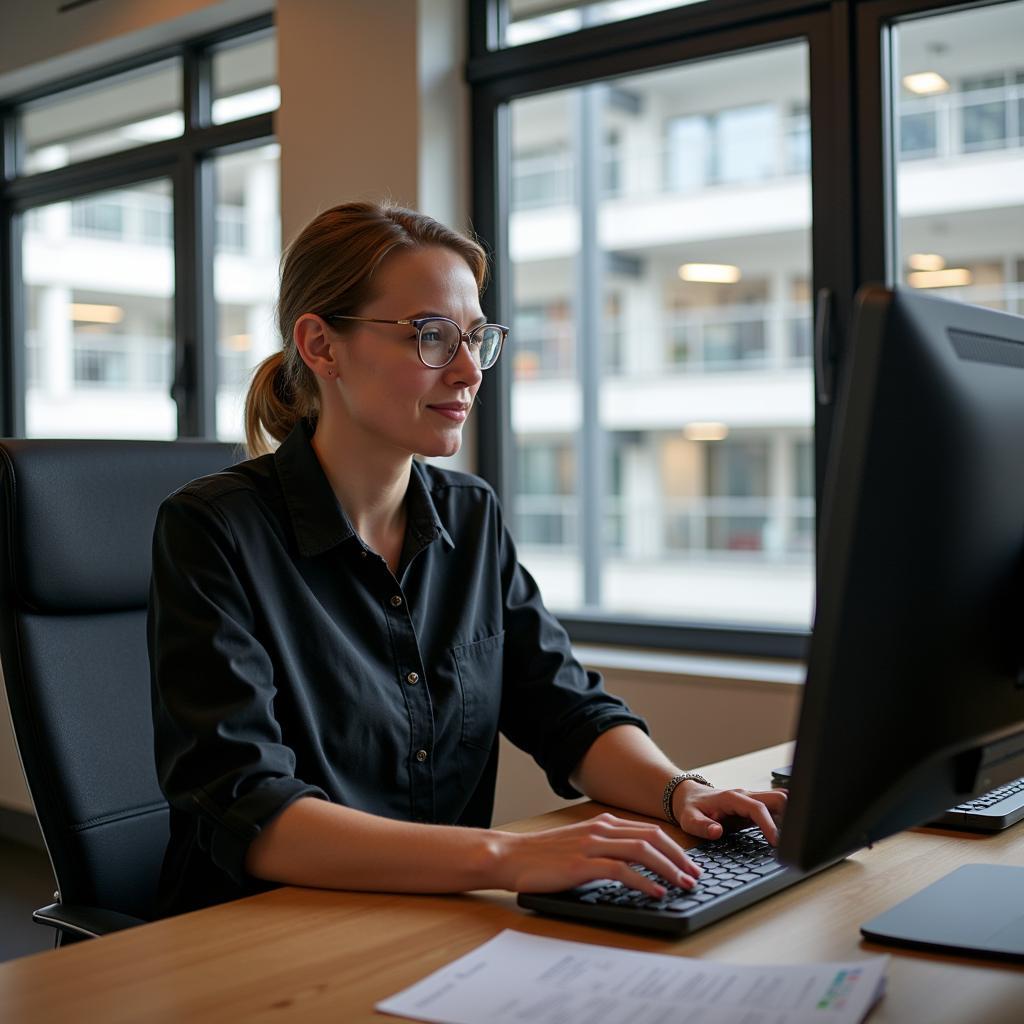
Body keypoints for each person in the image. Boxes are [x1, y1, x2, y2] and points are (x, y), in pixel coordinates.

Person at [148, 201, 786, 917]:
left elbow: (565, 707)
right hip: (264, 934)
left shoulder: (468, 515)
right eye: (430, 336)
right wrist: (509, 857)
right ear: (322, 347)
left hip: (433, 916)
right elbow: (251, 810)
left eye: (476, 339)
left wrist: (681, 792)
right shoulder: (214, 530)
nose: (467, 371)